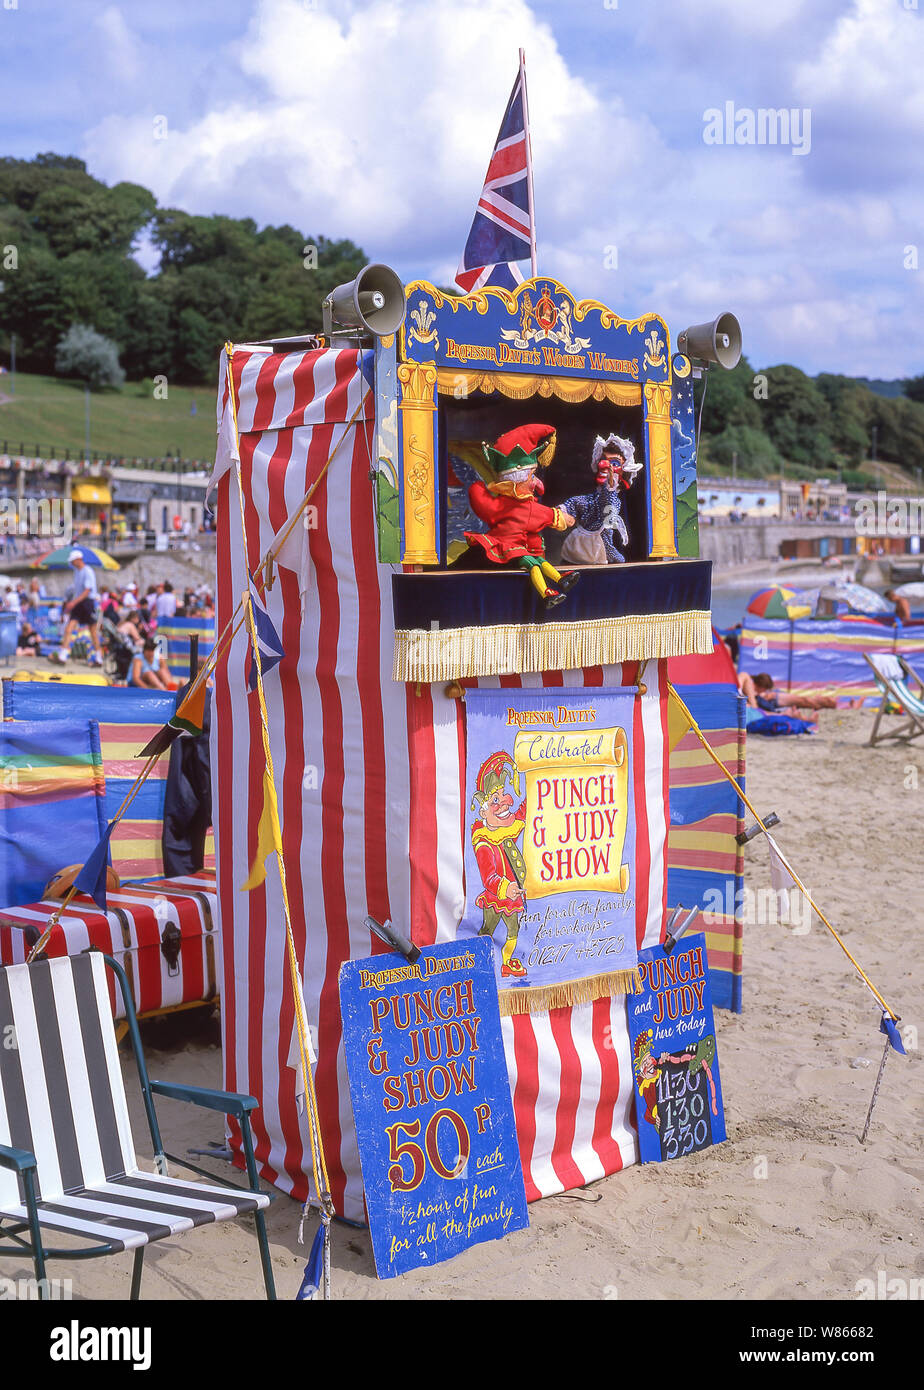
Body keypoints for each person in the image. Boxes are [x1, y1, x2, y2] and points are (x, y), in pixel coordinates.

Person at [454, 423, 578, 606]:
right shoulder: (526, 508)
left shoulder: (501, 503)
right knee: (533, 563)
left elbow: (485, 505)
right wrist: (565, 518)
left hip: (503, 544)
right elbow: (548, 515)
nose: (536, 481)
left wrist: (476, 488)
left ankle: (561, 580)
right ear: (522, 478)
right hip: (509, 546)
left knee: (536, 560)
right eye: (533, 475)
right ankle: (547, 593)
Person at [561, 434, 643, 564]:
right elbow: (580, 502)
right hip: (578, 547)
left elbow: (607, 511)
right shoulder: (590, 499)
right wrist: (563, 510)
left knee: (616, 557)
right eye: (604, 460)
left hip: (598, 548)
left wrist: (609, 487)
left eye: (614, 463)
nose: (607, 465)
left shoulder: (614, 500)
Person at [53, 550, 103, 666]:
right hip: (79, 603)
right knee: (68, 628)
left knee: (93, 632)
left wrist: (73, 602)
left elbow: (87, 591)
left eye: (73, 561)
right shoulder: (77, 572)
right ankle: (63, 656)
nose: (71, 563)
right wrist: (70, 600)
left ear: (78, 560)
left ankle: (99, 658)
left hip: (87, 603)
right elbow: (76, 588)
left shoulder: (88, 571)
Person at [738, 671, 836, 712]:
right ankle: (824, 702)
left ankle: (824, 702)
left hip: (774, 698)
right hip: (773, 701)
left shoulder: (748, 683)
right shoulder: (750, 686)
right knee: (802, 702)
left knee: (803, 701)